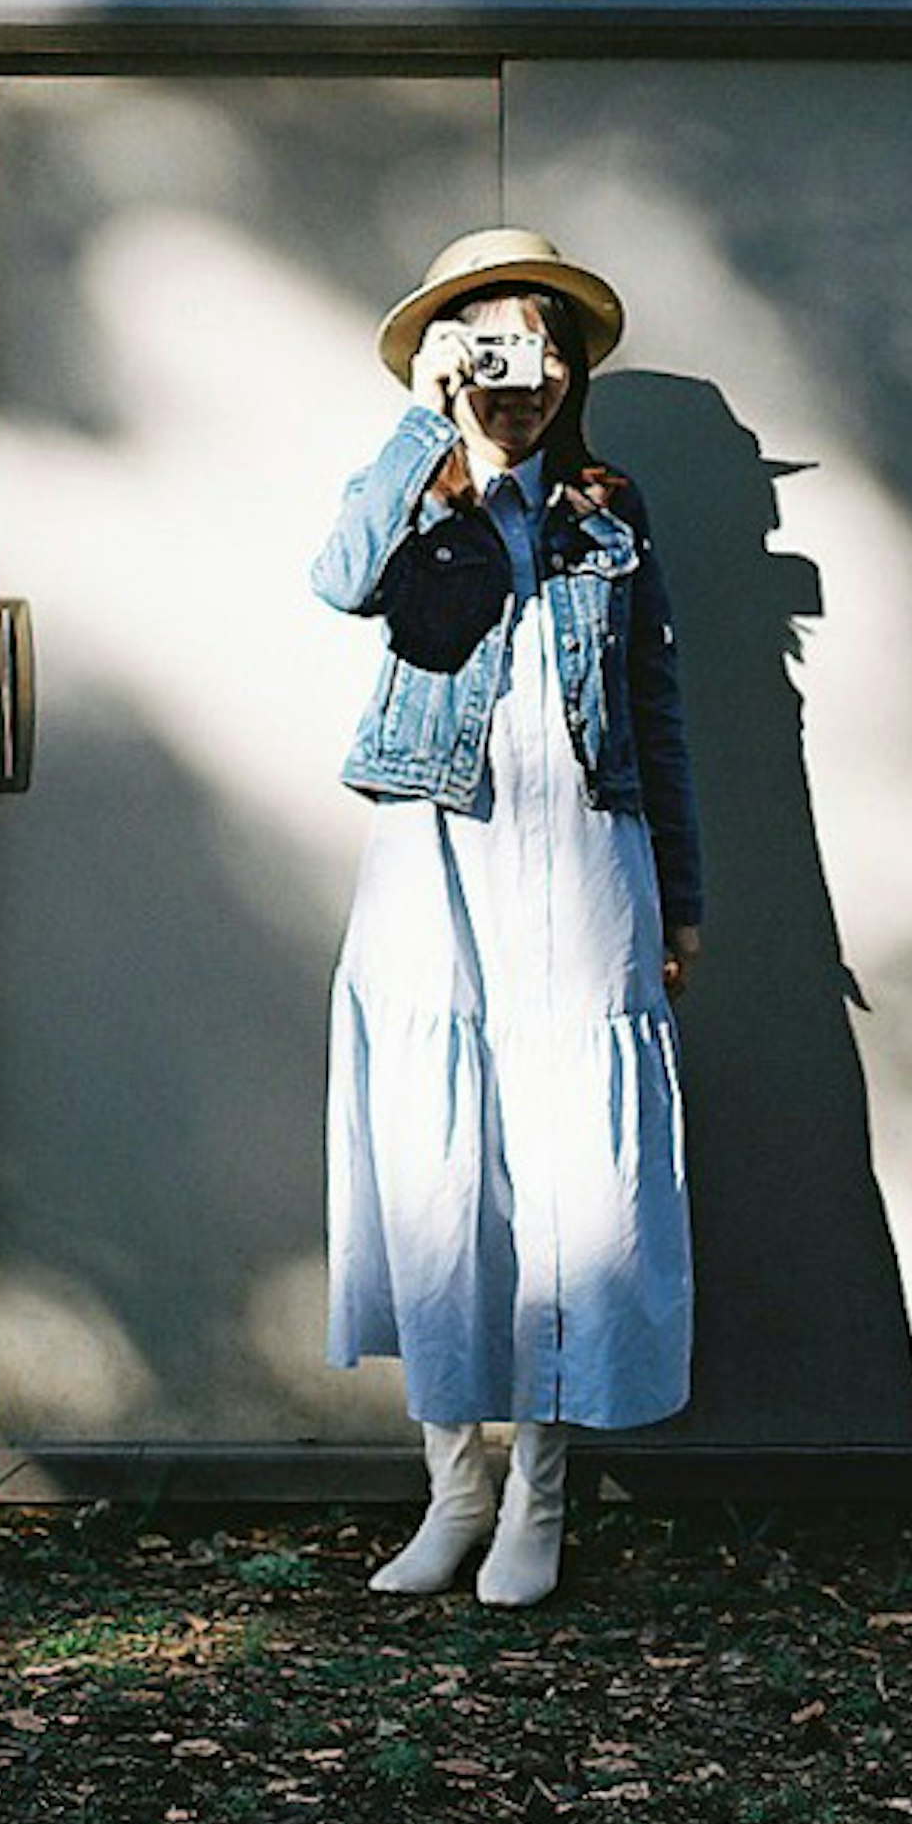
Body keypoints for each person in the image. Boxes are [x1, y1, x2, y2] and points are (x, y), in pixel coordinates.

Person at [309, 226, 702, 1607]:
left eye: (537, 346)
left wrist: (686, 898)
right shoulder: (419, 497)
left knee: (565, 1172)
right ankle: (451, 1489)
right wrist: (427, 432)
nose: (515, 374)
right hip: (437, 851)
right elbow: (342, 578)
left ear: (572, 366)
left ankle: (539, 1492)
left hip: (590, 854)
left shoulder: (611, 509)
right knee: (438, 1157)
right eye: (484, 345)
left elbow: (656, 712)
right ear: (441, 358)